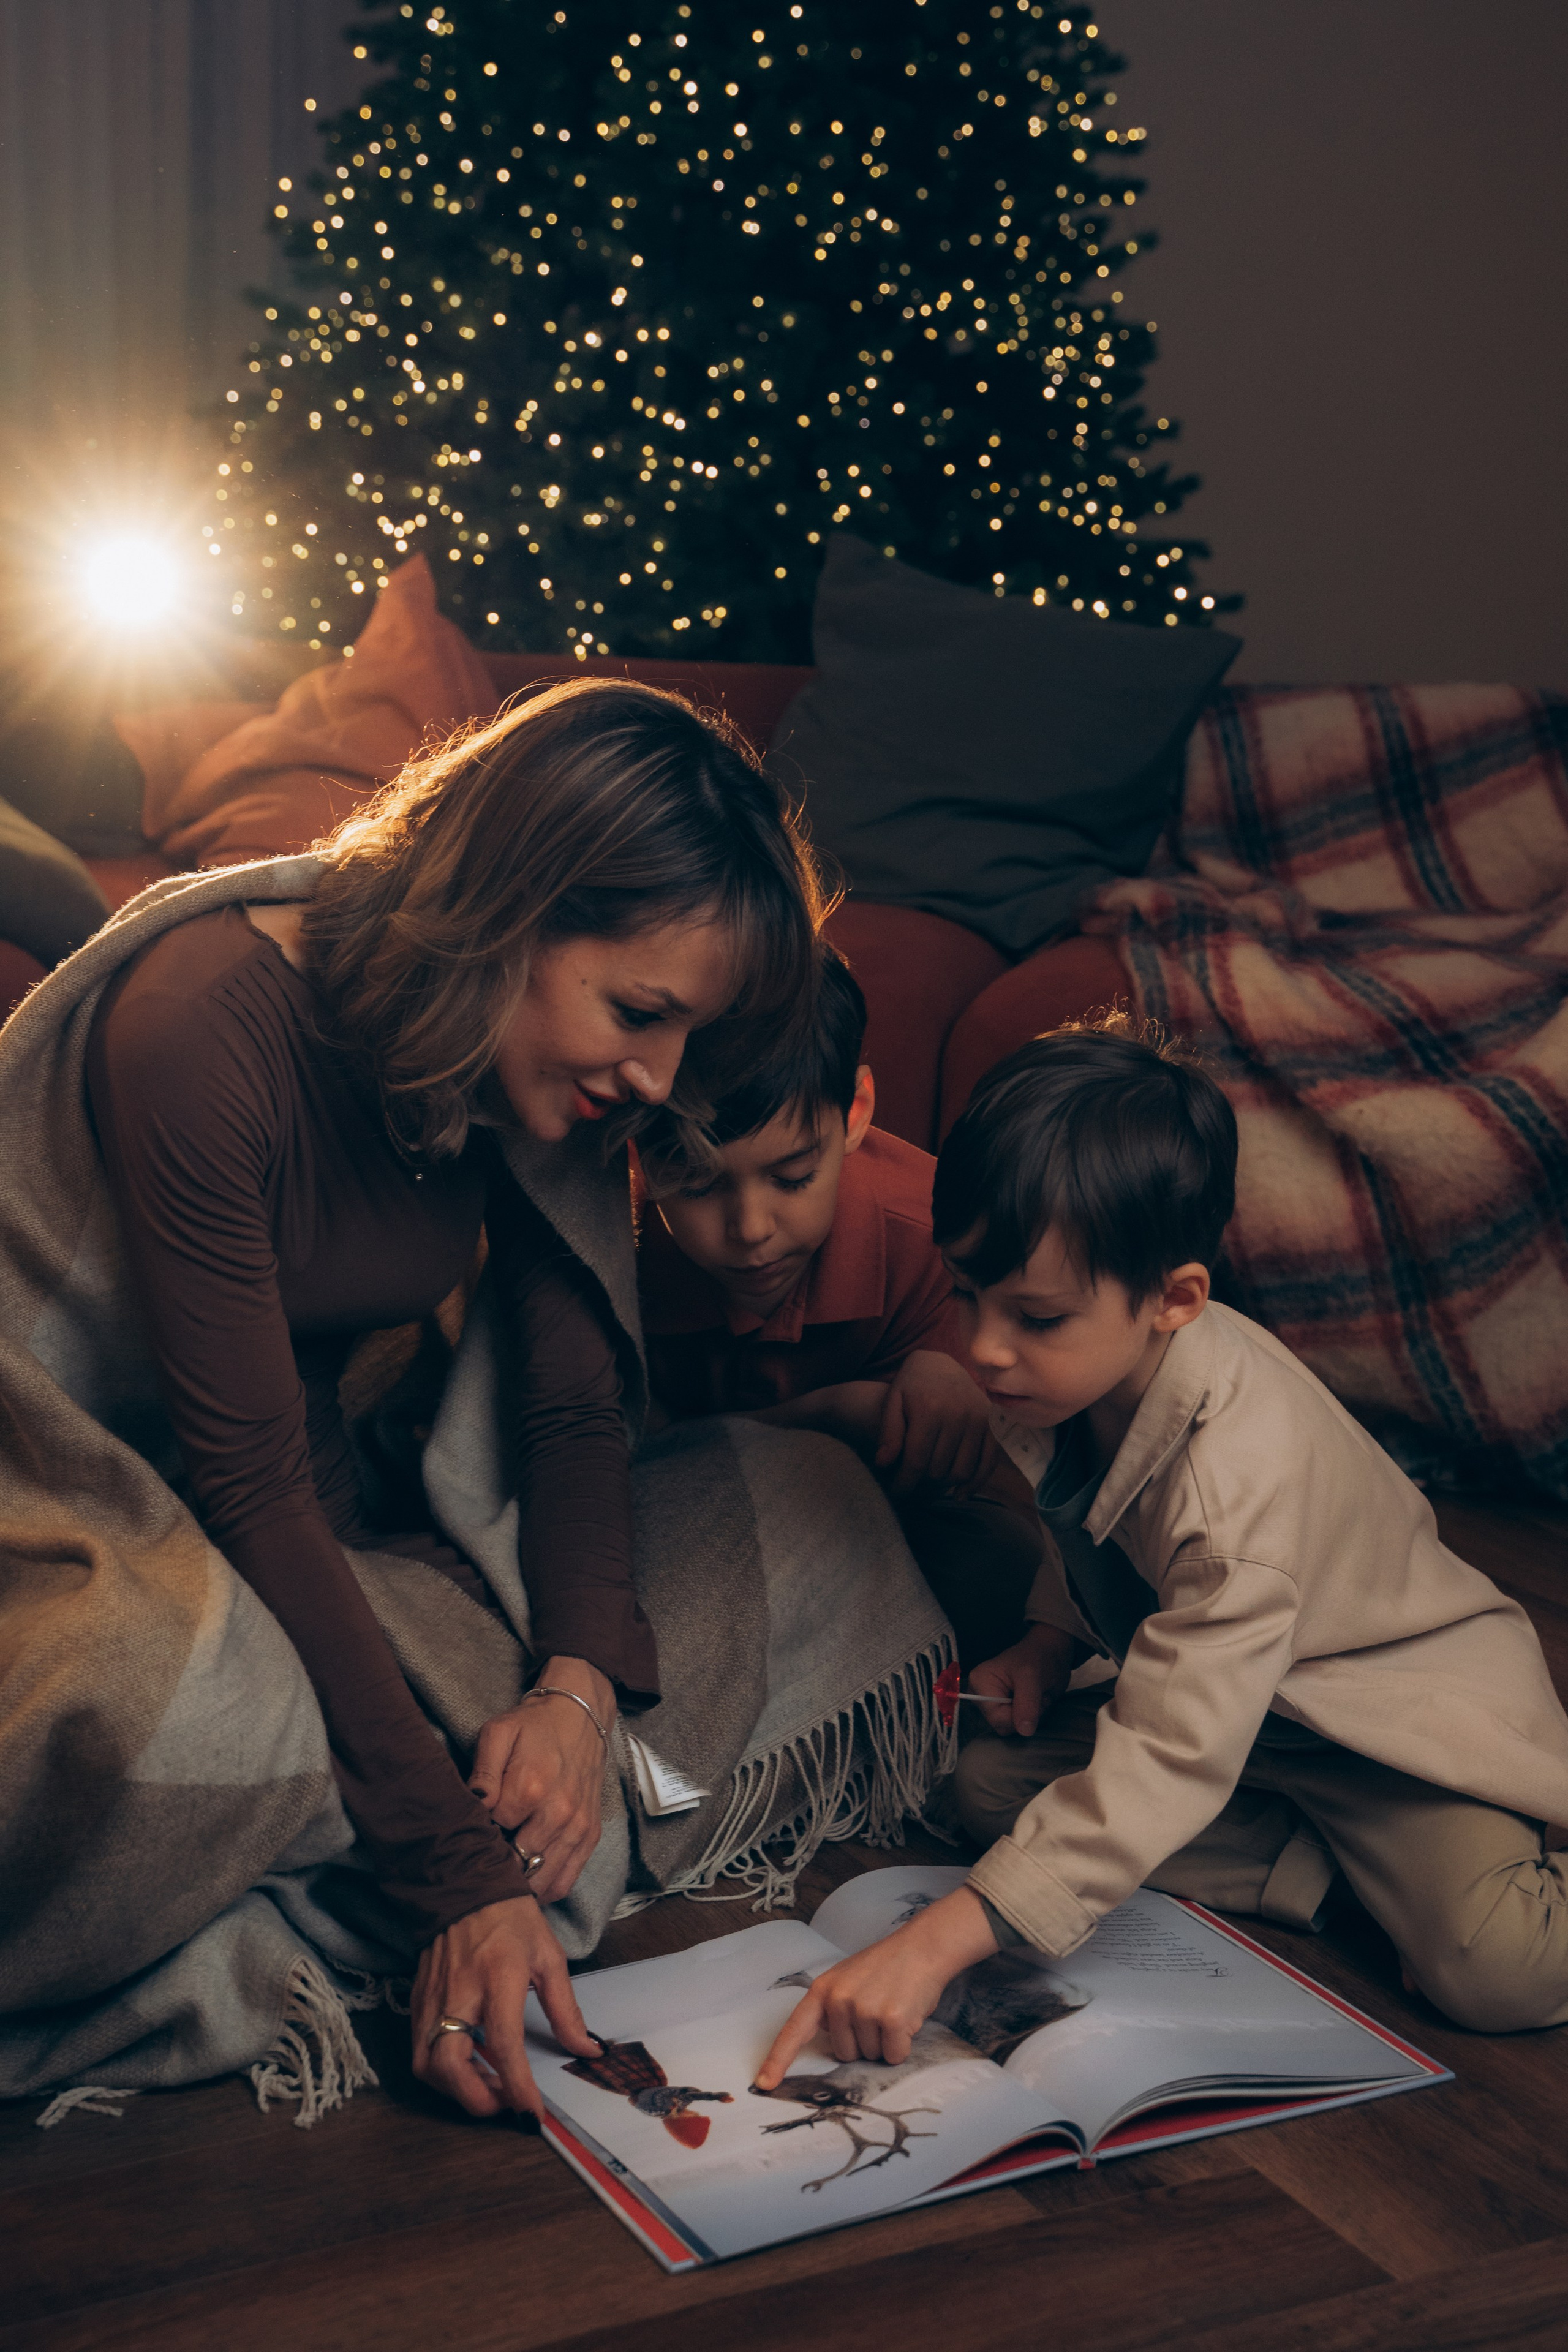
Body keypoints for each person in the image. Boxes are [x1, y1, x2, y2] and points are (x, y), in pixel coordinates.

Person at [83, 678, 823, 2119]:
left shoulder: (540, 1071)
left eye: (685, 1034)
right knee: (163, 1720)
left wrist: (575, 1691)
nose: (657, 1076)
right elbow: (244, 1484)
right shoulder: (198, 1023)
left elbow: (571, 1411)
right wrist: (459, 1878)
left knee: (800, 1505)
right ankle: (353, 1853)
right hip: (110, 1519)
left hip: (328, 1521)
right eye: (640, 1012)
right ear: (510, 912)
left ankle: (356, 1813)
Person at [757, 1017, 1568, 2089]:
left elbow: (1173, 1751)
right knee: (987, 1787)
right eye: (965, 1294)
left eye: (1037, 1316)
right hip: (1245, 1725)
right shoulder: (1072, 1377)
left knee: (1498, 1970)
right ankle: (1339, 1882)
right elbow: (1091, 1525)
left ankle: (1416, 1872)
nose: (984, 1347)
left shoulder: (1237, 1497)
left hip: (1376, 1729)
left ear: (1175, 1301)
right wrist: (1049, 1640)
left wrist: (934, 1942)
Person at [634, 946, 1042, 1666]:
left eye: (793, 1177)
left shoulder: (946, 1242)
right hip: (708, 1527)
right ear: (634, 1151)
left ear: (854, 1112)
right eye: (695, 1186)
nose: (751, 1230)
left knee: (998, 1567)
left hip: (892, 1536)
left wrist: (967, 1387)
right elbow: (618, 1456)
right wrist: (824, 1417)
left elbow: (1044, 1491)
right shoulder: (620, 1247)